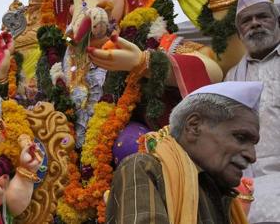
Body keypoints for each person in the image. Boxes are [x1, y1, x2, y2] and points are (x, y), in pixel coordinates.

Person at [106, 81, 262, 224]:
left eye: (253, 144)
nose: (252, 156)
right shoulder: (145, 168)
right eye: (241, 137)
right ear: (194, 126)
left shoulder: (222, 194)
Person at [224, 0, 280, 223]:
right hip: (250, 186)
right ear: (239, 33)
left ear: (277, 21)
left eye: (262, 17)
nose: (254, 23)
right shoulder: (232, 77)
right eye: (246, 21)